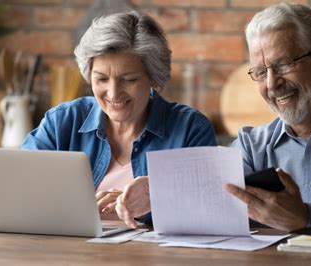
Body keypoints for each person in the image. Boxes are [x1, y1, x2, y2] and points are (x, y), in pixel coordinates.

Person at [116, 3, 311, 235]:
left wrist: (307, 217)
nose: (271, 83)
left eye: (283, 64)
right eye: (260, 72)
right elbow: (211, 194)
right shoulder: (251, 144)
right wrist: (162, 192)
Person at [21, 11, 217, 223]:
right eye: (102, 79)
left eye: (129, 79)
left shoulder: (190, 129)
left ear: (154, 78)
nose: (113, 93)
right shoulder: (61, 121)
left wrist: (156, 197)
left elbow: (211, 210)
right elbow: (18, 186)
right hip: (72, 253)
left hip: (157, 255)